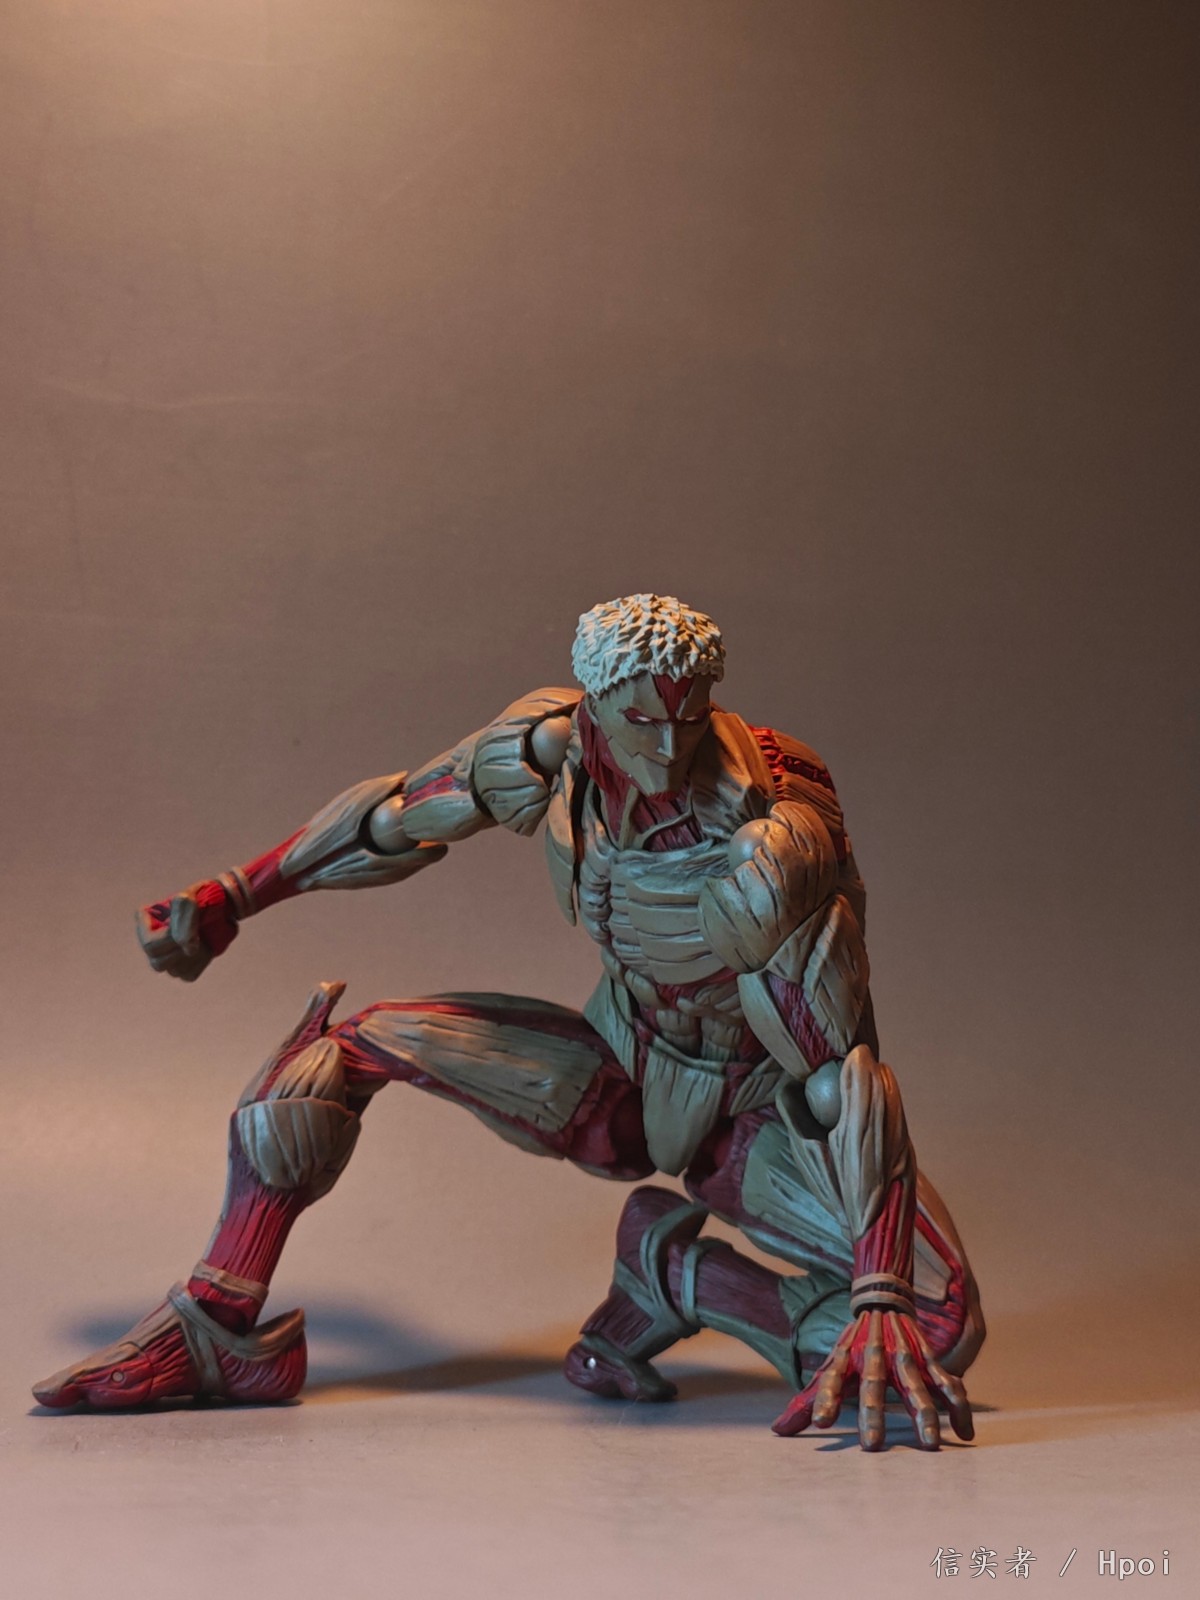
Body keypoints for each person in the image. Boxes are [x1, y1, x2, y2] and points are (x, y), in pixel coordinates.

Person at [34, 594, 983, 1450]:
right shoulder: (548, 751)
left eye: (689, 719)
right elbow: (396, 819)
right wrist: (235, 896)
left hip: (756, 1110)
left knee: (936, 1324)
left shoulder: (771, 830)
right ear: (597, 700)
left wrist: (879, 1290)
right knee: (336, 1055)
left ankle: (674, 1279)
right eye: (641, 721)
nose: (666, 748)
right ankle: (217, 1328)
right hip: (619, 1069)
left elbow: (840, 1068)